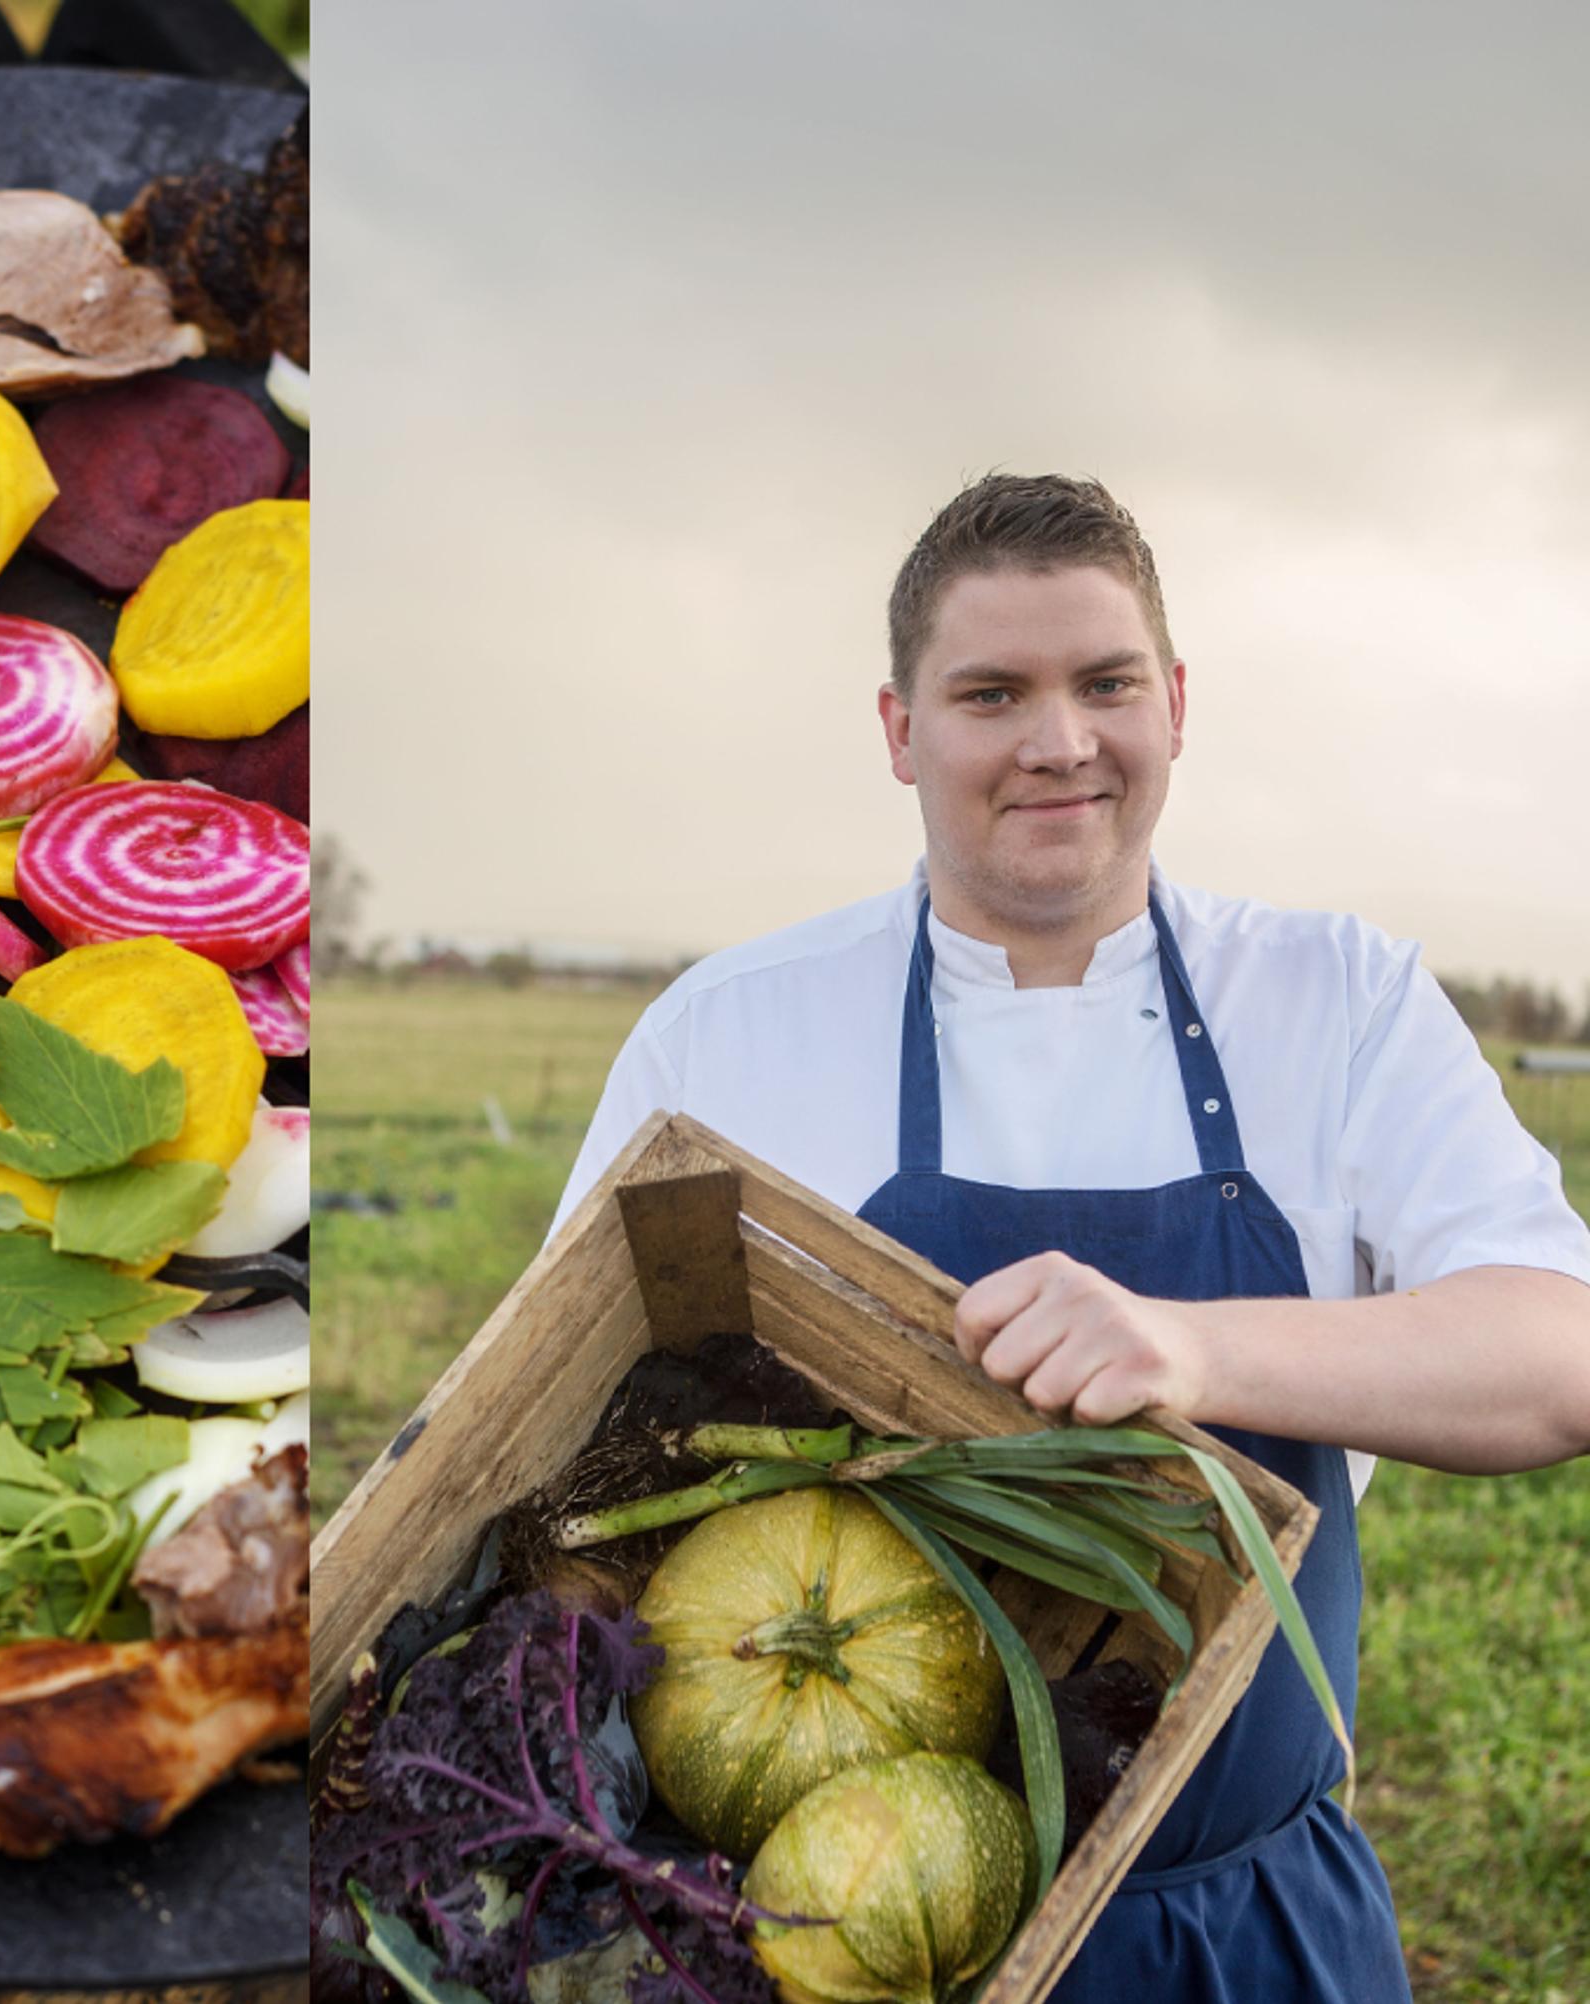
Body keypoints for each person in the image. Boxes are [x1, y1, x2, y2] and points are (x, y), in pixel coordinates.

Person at [555, 473, 1590, 2002]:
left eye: (1105, 683)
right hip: (846, 1951)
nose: (1060, 740)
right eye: (991, 693)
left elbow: (1558, 1358)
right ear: (901, 731)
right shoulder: (727, 1038)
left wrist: (1193, 1343)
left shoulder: (1338, 999)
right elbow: (559, 1451)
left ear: (1173, 703)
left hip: (1247, 1933)